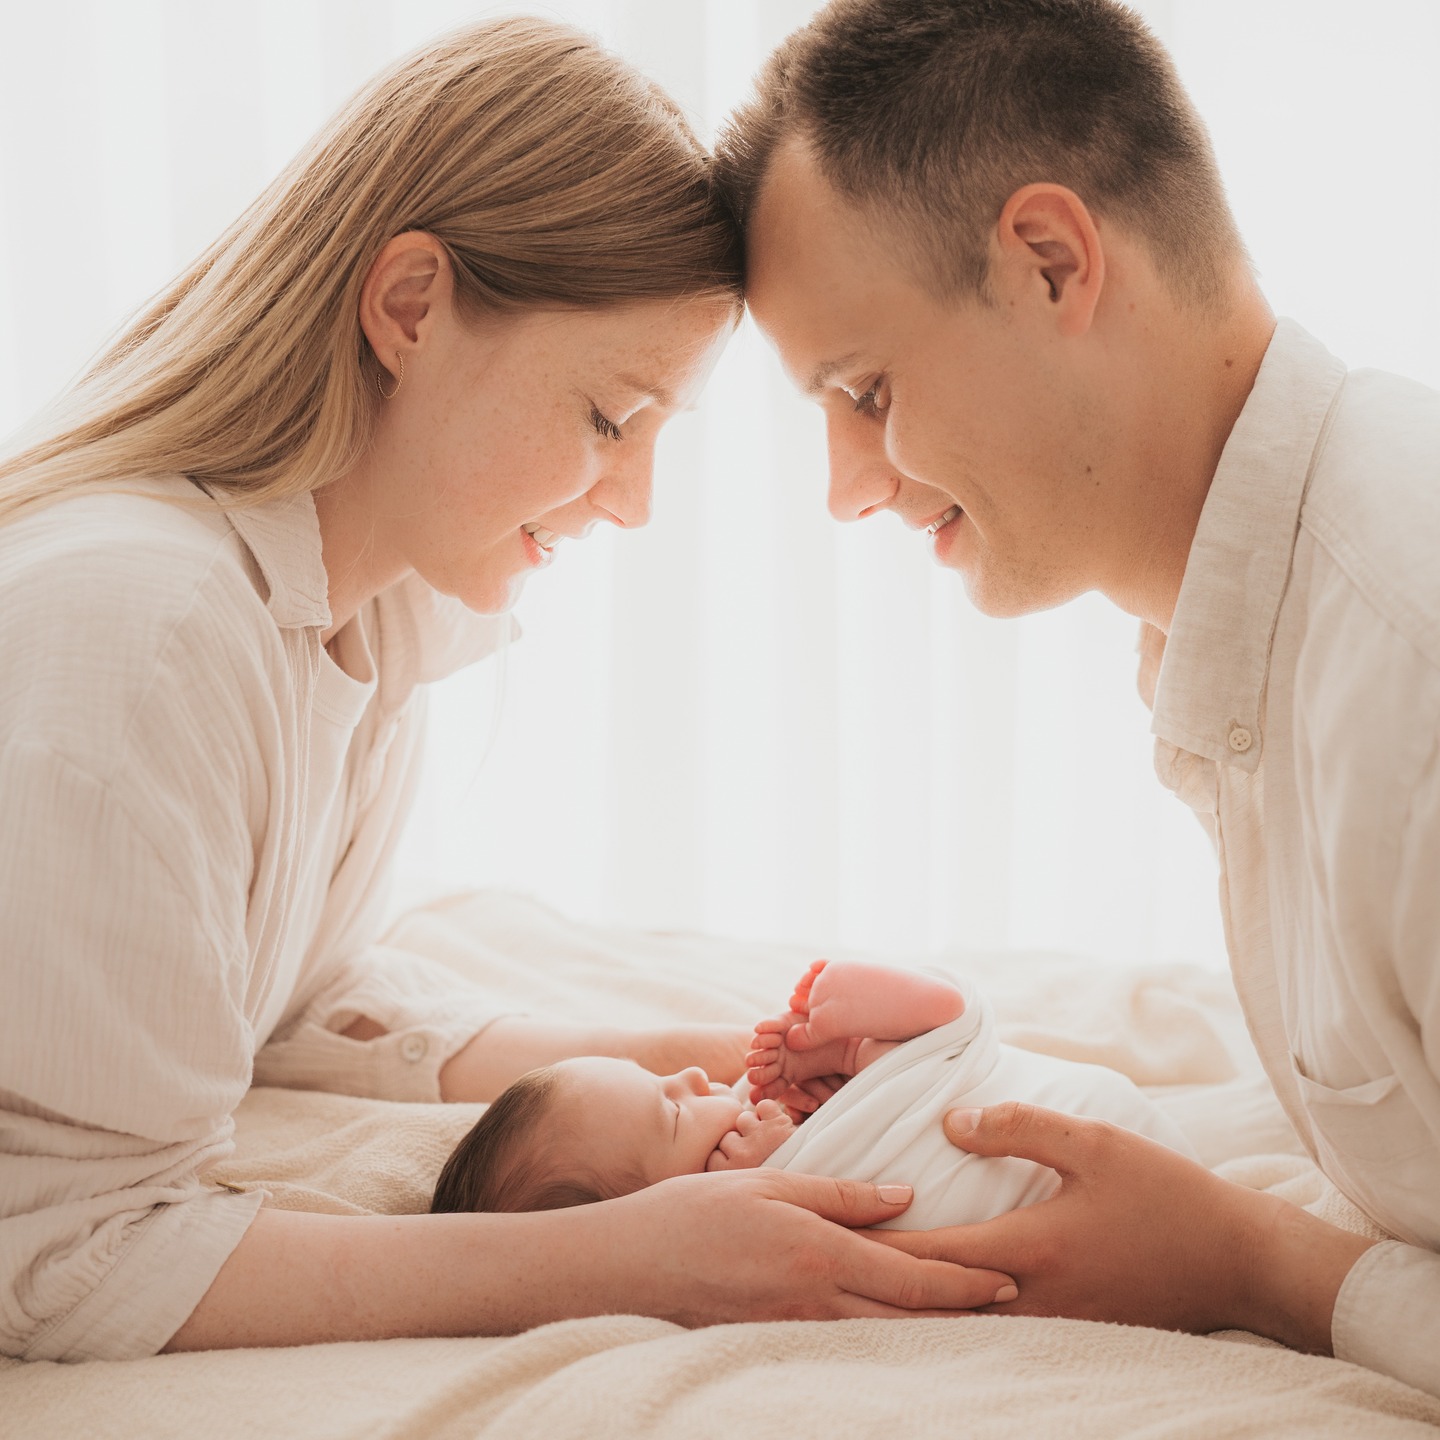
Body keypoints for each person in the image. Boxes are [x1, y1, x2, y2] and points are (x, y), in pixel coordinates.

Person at [0, 17, 1017, 1364]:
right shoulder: (144, 637)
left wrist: (717, 1053)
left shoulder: (367, 615)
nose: (636, 501)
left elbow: (279, 994)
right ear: (409, 307)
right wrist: (606, 1258)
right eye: (609, 420)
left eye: (659, 434)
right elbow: (67, 1257)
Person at [713, 0, 1440, 1400]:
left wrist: (1253, 1260)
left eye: (865, 391)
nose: (845, 487)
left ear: (1051, 261)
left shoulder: (1405, 666)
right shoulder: (1255, 621)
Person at [429, 959, 1192, 1224]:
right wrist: (781, 1158)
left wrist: (828, 1099)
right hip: (1092, 1161)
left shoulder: (736, 1127)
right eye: (670, 1108)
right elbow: (783, 1209)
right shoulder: (734, 1192)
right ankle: (912, 1027)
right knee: (934, 1043)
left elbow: (874, 1131)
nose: (696, 1078)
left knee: (904, 1071)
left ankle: (889, 1044)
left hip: (1083, 1128)